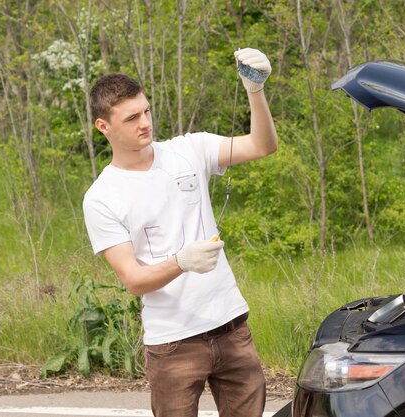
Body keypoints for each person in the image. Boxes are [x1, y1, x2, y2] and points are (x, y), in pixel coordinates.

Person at [82, 48, 277, 417]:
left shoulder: (190, 149)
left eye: (146, 111)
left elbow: (262, 145)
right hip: (172, 344)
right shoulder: (101, 198)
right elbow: (134, 280)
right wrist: (182, 262)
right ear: (103, 126)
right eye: (131, 118)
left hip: (231, 326)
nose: (145, 123)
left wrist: (255, 91)